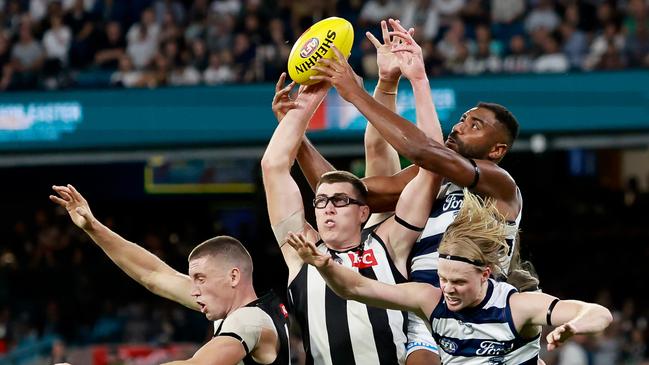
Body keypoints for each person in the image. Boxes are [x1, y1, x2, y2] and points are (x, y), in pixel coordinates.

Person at [285, 19, 524, 365]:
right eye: (462, 118)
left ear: (497, 150)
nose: (460, 126)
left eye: (476, 125)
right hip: (422, 309)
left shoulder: (500, 184)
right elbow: (348, 197)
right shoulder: (429, 177)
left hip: (479, 312)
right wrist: (296, 135)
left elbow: (426, 151)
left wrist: (357, 93)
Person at [261, 33, 444, 363]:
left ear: (364, 212)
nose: (327, 207)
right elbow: (273, 166)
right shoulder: (301, 252)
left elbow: (431, 167)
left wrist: (414, 79)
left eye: (340, 201)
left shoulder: (387, 243)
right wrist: (309, 96)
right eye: (320, 201)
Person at [286, 190, 613, 364]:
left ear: (485, 274)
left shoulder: (519, 307)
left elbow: (598, 313)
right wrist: (324, 264)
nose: (448, 289)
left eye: (459, 282)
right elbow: (356, 287)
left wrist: (573, 326)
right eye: (443, 278)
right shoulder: (429, 299)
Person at [49, 184, 289, 365]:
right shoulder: (236, 309)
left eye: (201, 279)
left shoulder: (249, 321)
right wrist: (94, 228)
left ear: (233, 277)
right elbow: (153, 274)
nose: (194, 290)